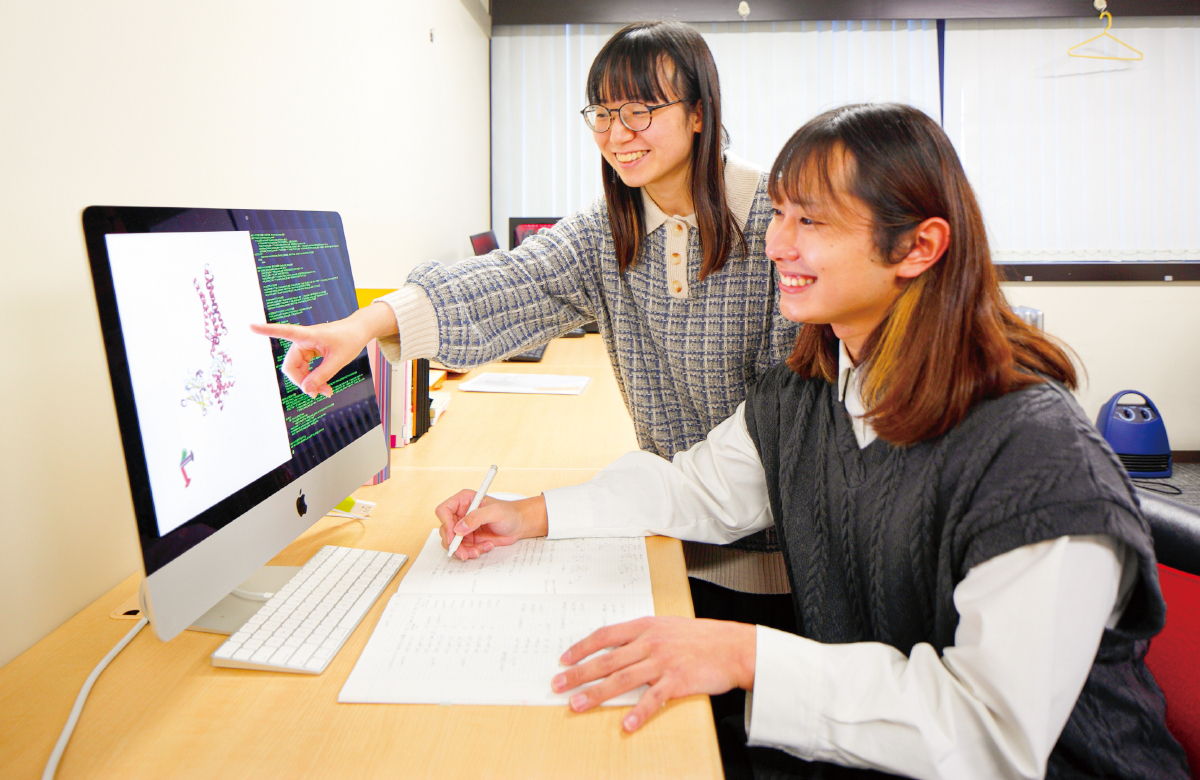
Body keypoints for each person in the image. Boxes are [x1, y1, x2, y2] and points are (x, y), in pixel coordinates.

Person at [431, 103, 1188, 779]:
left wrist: (743, 655)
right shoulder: (809, 389)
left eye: (811, 222)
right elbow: (695, 489)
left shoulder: (1035, 456)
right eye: (779, 214)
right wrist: (530, 513)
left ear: (918, 246)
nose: (775, 244)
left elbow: (988, 735)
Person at [252, 22, 798, 651]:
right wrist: (365, 324)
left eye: (640, 110)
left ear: (699, 114)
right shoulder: (609, 228)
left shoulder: (778, 227)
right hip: (665, 538)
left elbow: (773, 444)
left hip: (776, 562)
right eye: (602, 113)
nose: (617, 134)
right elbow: (512, 280)